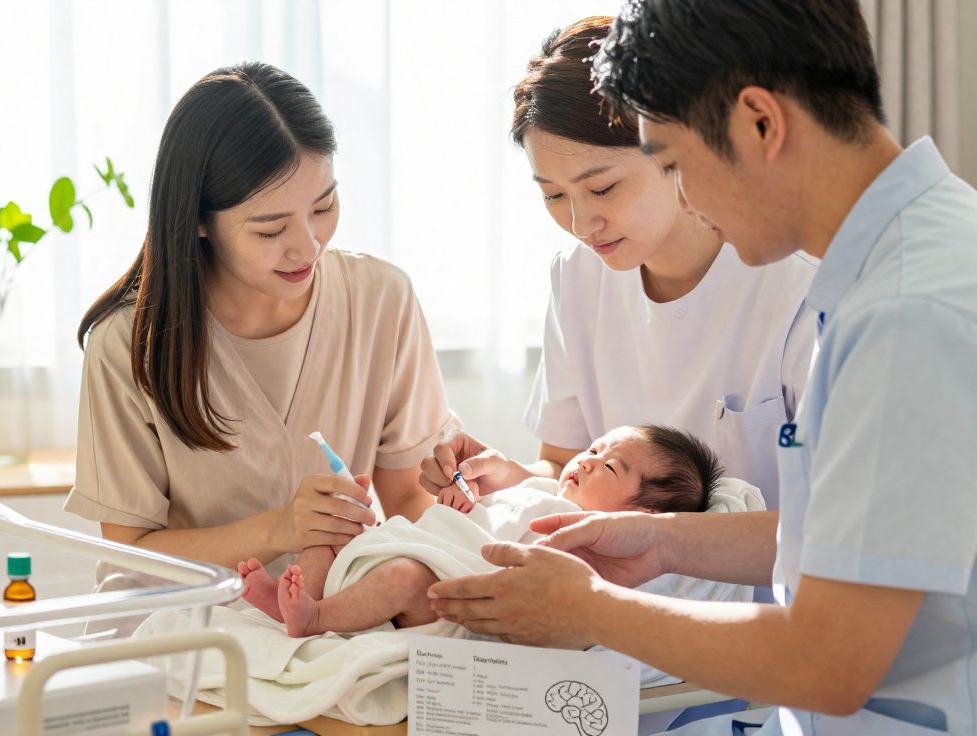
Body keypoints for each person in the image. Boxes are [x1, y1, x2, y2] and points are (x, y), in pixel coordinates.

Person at [428, 2, 977, 734]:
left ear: (759, 123)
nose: (686, 198)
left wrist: (591, 608)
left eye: (677, 163)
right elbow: (836, 541)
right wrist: (658, 541)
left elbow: (831, 662)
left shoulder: (904, 313)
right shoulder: (910, 257)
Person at [65, 62, 454, 576]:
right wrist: (278, 530)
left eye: (323, 208)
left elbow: (407, 497)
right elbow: (130, 552)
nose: (308, 247)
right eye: (271, 230)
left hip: (336, 610)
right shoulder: (128, 344)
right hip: (188, 614)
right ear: (198, 220)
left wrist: (463, 514)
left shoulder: (383, 299)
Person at [420, 17, 816, 512]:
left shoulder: (798, 286)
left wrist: (657, 542)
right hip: (605, 558)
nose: (580, 224)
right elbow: (561, 466)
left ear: (676, 146)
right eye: (553, 195)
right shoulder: (577, 276)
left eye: (603, 188)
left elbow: (831, 520)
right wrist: (506, 476)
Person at [238, 424, 721, 637]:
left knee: (403, 578)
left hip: (438, 588)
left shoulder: (590, 535)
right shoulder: (537, 486)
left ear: (639, 518)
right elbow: (479, 514)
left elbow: (534, 575)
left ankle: (316, 617)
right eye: (594, 449)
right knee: (333, 530)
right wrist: (461, 499)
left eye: (610, 468)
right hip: (410, 541)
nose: (588, 462)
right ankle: (289, 602)